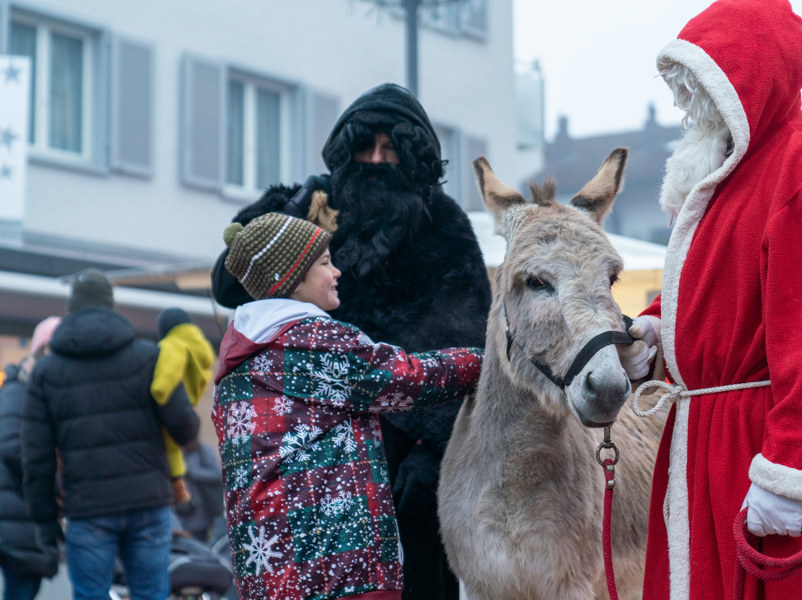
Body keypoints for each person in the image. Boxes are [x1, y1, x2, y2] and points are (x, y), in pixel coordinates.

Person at [617, 0, 802, 597]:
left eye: (701, 85)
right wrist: (654, 332)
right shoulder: (729, 174)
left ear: (745, 79)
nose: (689, 105)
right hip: (703, 436)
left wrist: (790, 471)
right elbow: (711, 294)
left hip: (757, 446)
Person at [209, 82, 491, 600]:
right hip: (316, 457)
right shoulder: (314, 209)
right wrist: (293, 209)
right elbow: (230, 285)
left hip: (414, 449)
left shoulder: (442, 223)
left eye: (391, 149)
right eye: (366, 147)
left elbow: (468, 328)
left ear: (414, 157)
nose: (376, 160)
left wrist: (437, 451)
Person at [21, 269, 201, 600]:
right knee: (151, 594)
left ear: (71, 309)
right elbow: (185, 429)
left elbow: (36, 456)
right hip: (149, 500)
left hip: (87, 508)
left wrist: (45, 523)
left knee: (90, 594)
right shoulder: (150, 356)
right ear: (110, 306)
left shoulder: (46, 371)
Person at [0, 317, 62, 600]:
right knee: (21, 590)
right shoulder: (18, 390)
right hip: (17, 516)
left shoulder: (34, 390)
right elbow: (11, 445)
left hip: (22, 516)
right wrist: (50, 476)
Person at [151, 307, 216, 505]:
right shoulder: (200, 348)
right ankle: (179, 487)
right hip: (186, 414)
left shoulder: (172, 346)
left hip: (167, 414)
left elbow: (162, 386)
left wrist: (157, 393)